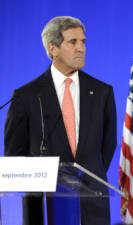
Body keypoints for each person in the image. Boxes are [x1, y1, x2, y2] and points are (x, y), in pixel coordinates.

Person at [4, 16, 117, 225]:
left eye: (83, 41)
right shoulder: (26, 96)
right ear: (53, 48)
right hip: (45, 208)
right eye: (72, 42)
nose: (81, 48)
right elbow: (14, 157)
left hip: (92, 206)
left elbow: (107, 147)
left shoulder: (102, 92)